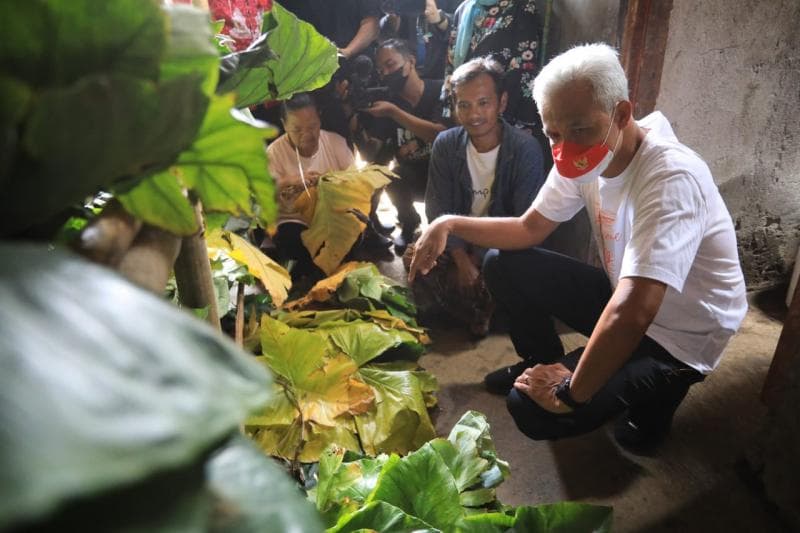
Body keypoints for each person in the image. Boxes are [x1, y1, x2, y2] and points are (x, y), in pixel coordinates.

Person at [409, 43, 748, 454]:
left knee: (534, 410)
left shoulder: (670, 177)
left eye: (578, 129)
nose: (564, 147)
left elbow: (635, 310)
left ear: (621, 114)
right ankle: (540, 361)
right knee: (504, 263)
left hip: (679, 334)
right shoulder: (586, 153)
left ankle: (659, 397)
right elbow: (529, 227)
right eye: (553, 133)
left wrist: (568, 392)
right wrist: (449, 223)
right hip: (624, 293)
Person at [408, 56, 544, 336]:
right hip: (457, 240)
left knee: (504, 270)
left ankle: (472, 306)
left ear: (501, 103)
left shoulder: (525, 149)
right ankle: (476, 307)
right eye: (464, 105)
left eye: (483, 103)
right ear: (455, 106)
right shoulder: (446, 144)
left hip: (501, 243)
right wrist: (460, 257)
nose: (474, 115)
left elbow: (524, 222)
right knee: (416, 256)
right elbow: (437, 207)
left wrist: (478, 258)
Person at [267, 93, 370, 279]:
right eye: (297, 129)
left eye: (312, 127)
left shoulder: (335, 142)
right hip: (293, 219)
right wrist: (290, 181)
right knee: (294, 243)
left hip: (332, 214)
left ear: (320, 119)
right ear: (284, 125)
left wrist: (329, 182)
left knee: (354, 230)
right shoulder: (274, 152)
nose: (307, 134)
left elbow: (356, 184)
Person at [361, 38, 449, 251]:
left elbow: (441, 135)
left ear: (410, 61)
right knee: (391, 175)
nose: (386, 73)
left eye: (390, 65)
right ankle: (409, 223)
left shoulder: (441, 90)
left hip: (447, 177)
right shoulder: (388, 102)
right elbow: (375, 154)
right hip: (414, 178)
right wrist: (356, 124)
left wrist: (393, 112)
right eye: (381, 70)